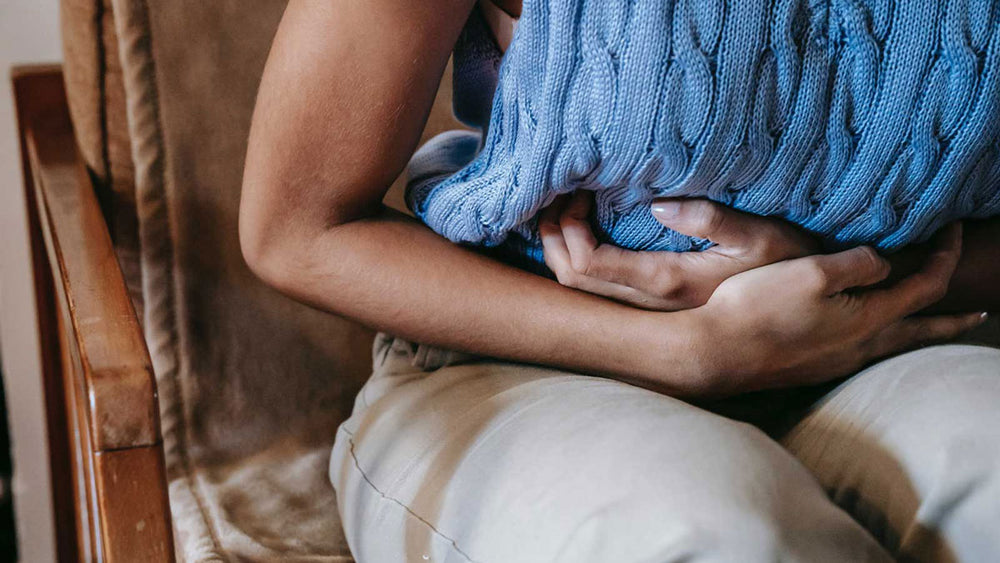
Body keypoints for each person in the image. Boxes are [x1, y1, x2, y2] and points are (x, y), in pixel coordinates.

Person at [239, 1, 1000, 561]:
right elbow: (296, 228)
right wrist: (684, 350)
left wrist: (830, 274)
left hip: (882, 346)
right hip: (526, 367)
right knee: (716, 539)